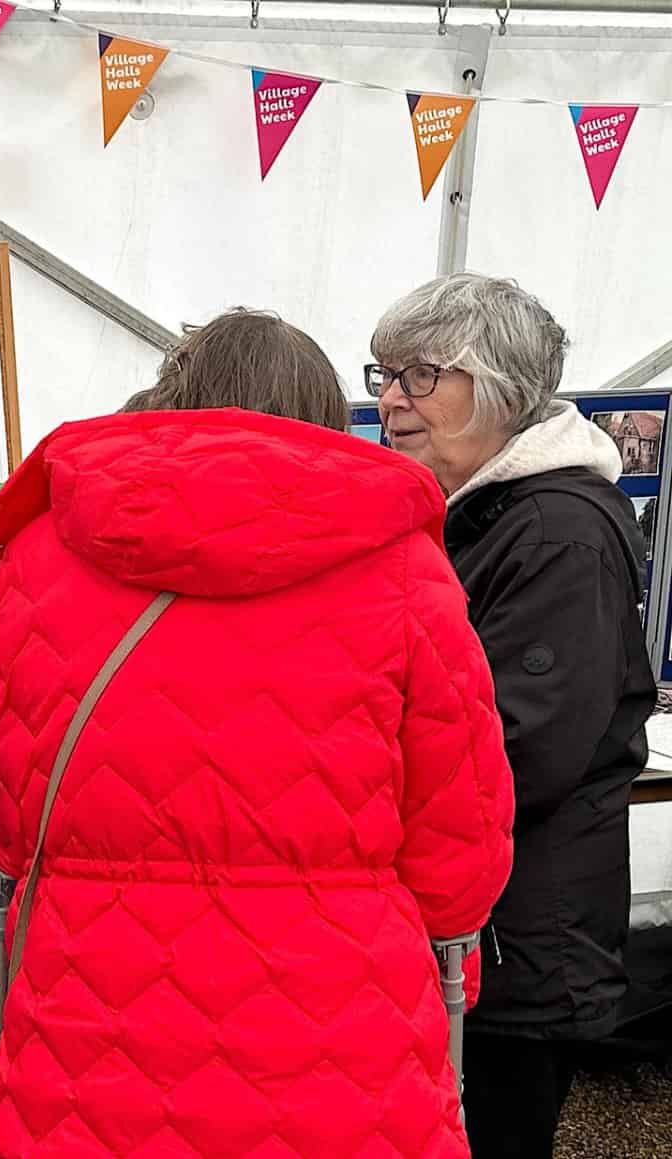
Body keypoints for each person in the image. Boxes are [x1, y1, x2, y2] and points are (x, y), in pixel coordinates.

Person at [0, 309, 515, 1157]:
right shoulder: (404, 566)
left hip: (91, 1021)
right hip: (340, 1038)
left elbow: (10, 799)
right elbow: (462, 831)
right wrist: (453, 970)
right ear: (325, 419)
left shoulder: (44, 550)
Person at [369, 275, 654, 1156]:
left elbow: (520, 748)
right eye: (384, 372)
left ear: (497, 386)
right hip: (476, 928)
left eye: (421, 375)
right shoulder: (474, 514)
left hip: (519, 943)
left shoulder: (555, 530)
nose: (389, 398)